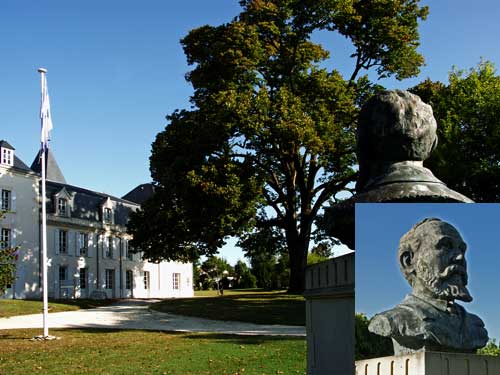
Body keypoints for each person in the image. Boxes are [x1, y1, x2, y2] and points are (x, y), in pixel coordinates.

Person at [369, 218, 488, 354]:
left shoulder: (475, 326)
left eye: (461, 250)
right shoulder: (394, 320)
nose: (460, 257)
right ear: (408, 261)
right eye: (445, 246)